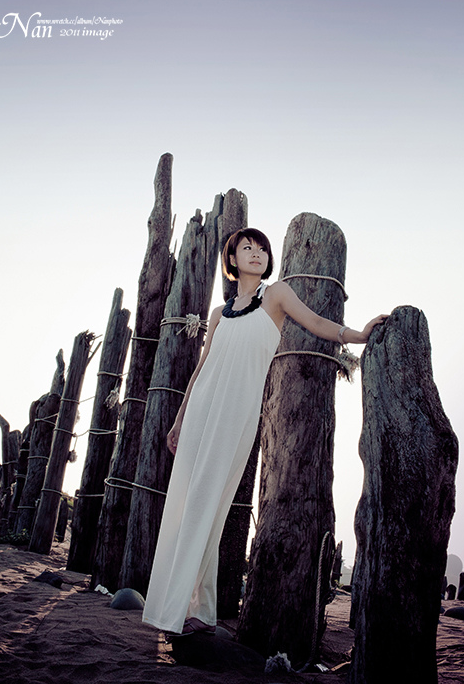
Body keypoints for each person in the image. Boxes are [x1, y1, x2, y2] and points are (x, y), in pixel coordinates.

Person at [142, 228, 386, 637]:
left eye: (262, 249)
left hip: (236, 415)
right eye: (246, 248)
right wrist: (180, 418)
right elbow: (202, 368)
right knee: (188, 503)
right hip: (201, 411)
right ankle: (196, 609)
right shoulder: (219, 314)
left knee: (210, 504)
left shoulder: (275, 296)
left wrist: (357, 335)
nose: (256, 253)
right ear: (232, 260)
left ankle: (185, 607)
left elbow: (315, 321)